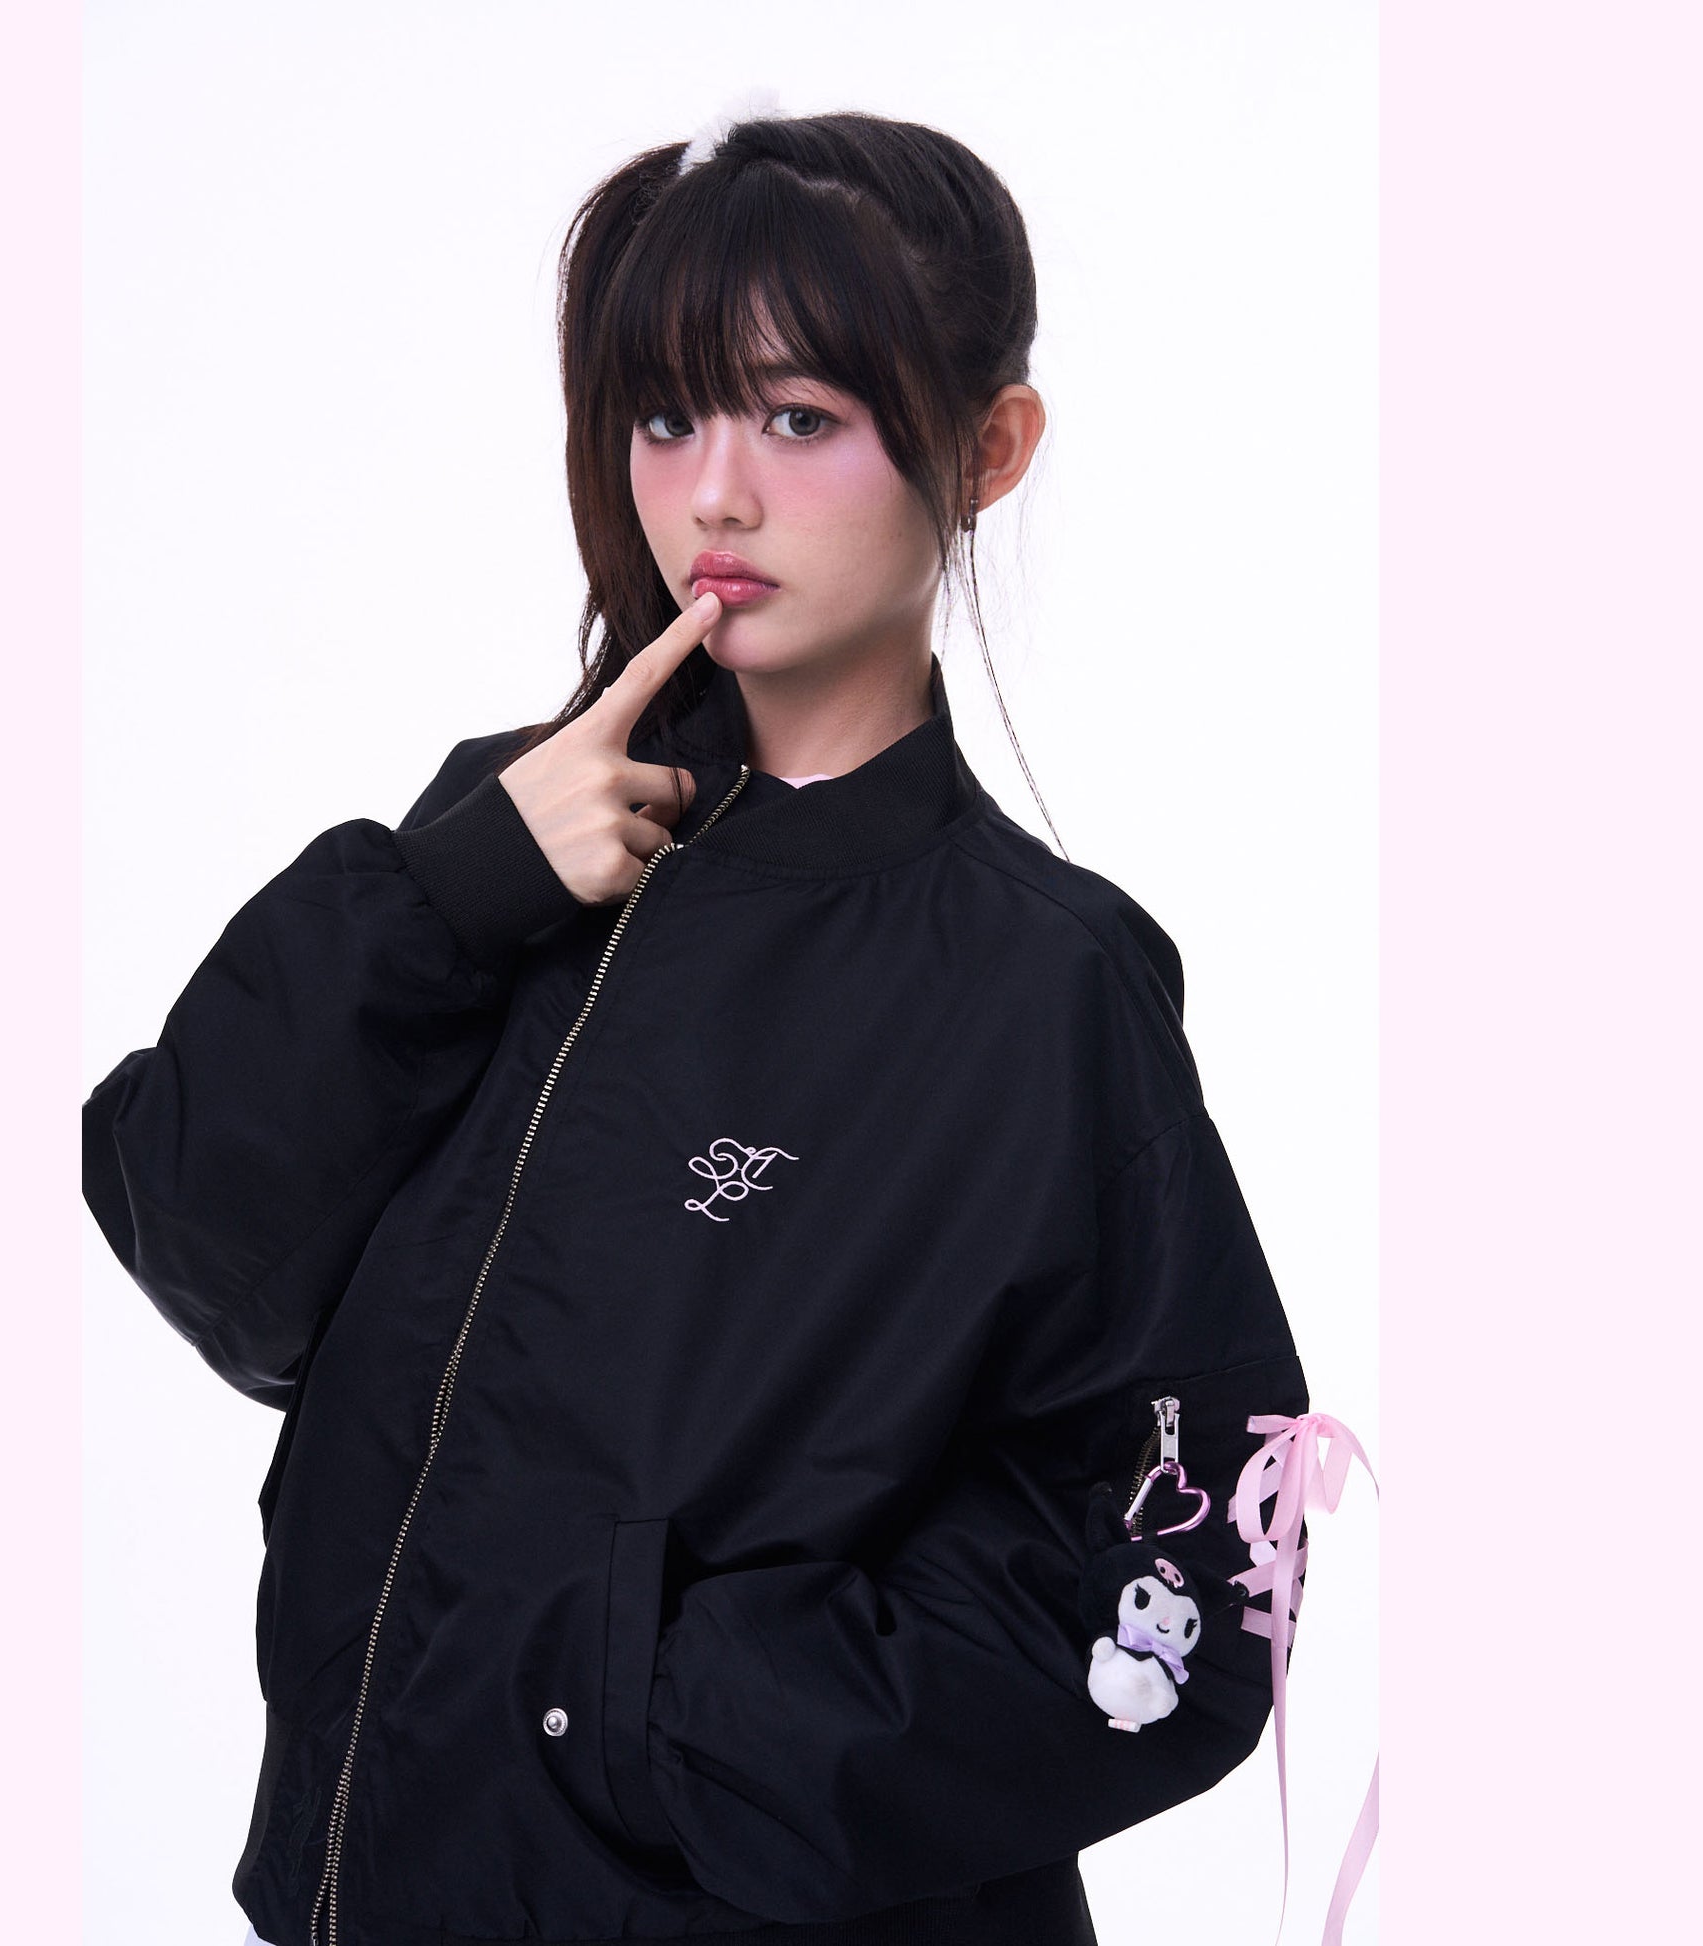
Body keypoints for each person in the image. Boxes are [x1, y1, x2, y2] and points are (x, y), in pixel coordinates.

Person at [84, 108, 1310, 1946]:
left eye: (797, 418)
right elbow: (206, 1235)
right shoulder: (500, 849)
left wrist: (666, 1730)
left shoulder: (1039, 984)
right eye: (664, 416)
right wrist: (450, 897)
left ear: (987, 448)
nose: (712, 495)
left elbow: (1197, 1574)